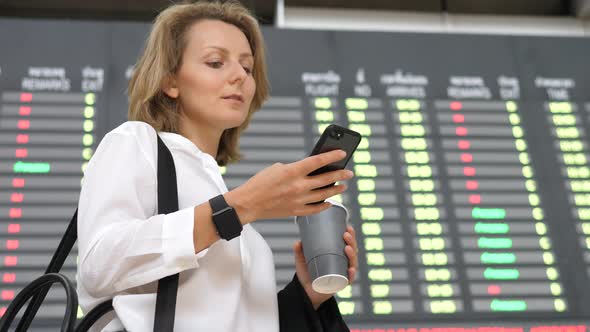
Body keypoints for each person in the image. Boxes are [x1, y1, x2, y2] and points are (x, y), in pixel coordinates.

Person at [75, 1, 359, 331]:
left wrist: (307, 294)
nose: (239, 76)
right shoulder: (135, 142)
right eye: (215, 62)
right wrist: (239, 208)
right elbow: (98, 266)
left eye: (248, 68)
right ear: (170, 81)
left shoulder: (250, 240)